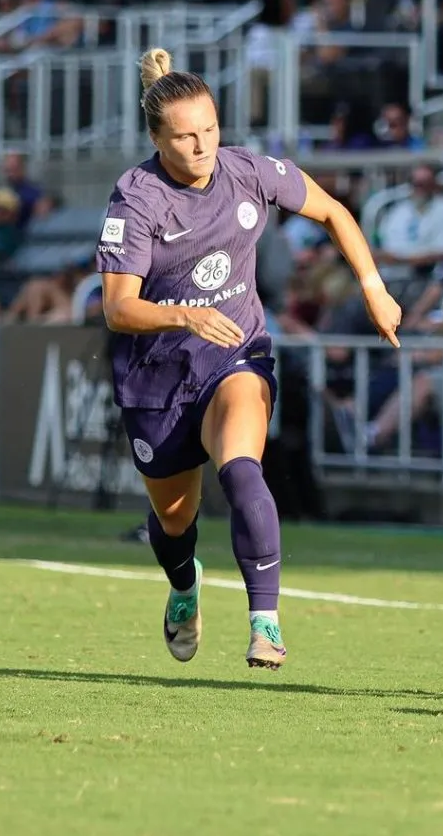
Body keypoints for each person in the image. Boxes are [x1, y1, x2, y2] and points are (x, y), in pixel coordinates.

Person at [96, 48, 401, 669]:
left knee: (241, 470)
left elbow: (333, 211)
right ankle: (185, 587)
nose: (202, 145)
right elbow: (118, 309)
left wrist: (374, 288)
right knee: (175, 523)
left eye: (210, 129)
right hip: (158, 375)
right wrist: (183, 313)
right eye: (185, 136)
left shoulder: (249, 171)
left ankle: (266, 623)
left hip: (237, 354)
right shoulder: (137, 200)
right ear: (157, 139)